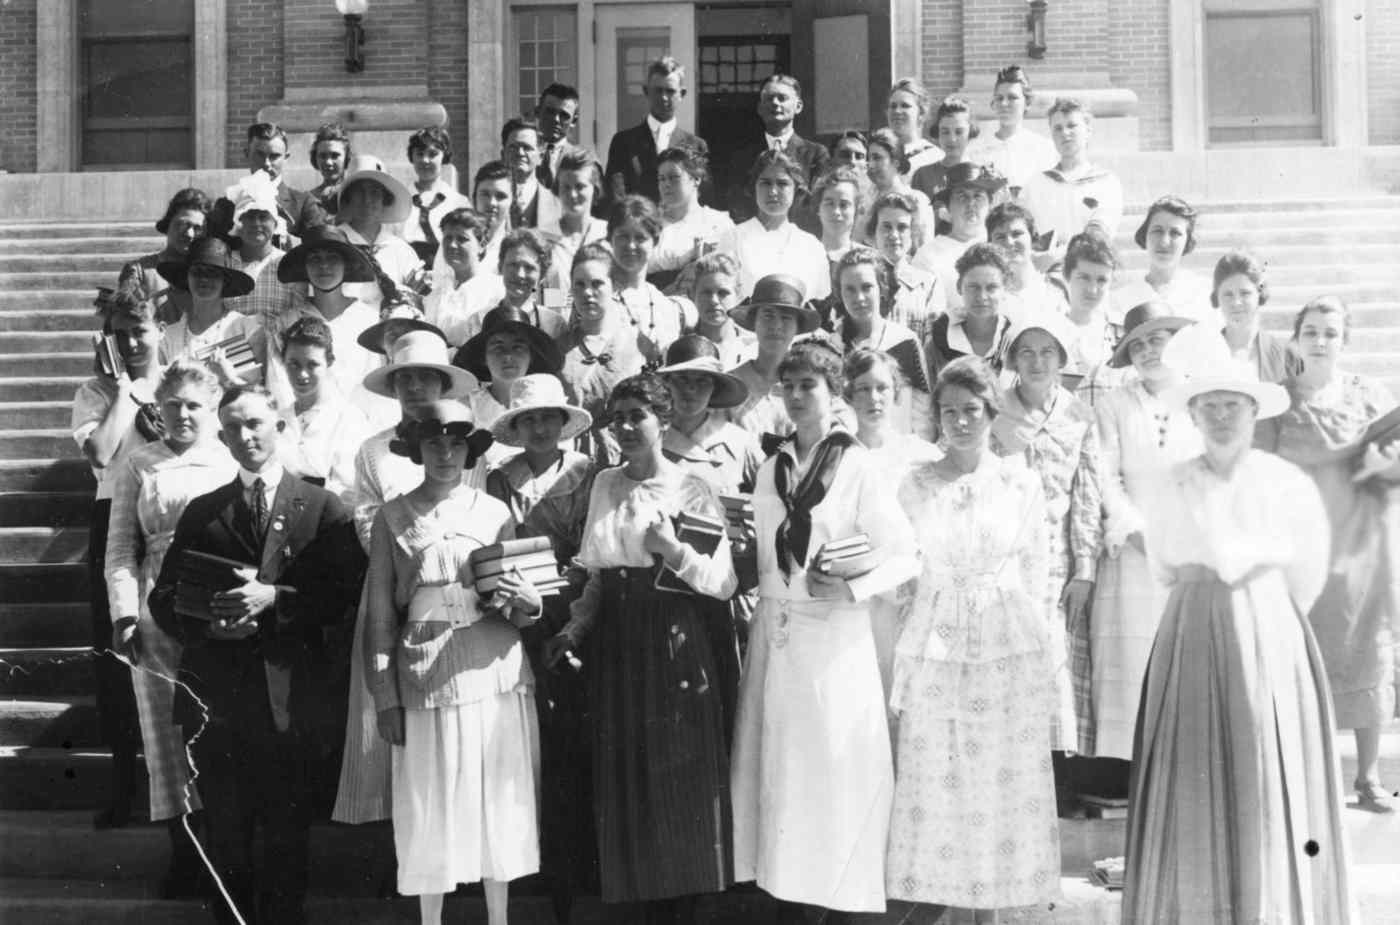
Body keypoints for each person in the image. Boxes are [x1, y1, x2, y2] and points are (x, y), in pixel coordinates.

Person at [1124, 366, 1356, 923]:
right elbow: (1161, 563)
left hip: (1269, 629)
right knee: (1193, 780)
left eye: (1234, 405)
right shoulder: (1172, 482)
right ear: (1194, 414)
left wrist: (1260, 615)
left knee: (1266, 772)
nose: (1223, 416)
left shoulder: (1284, 481)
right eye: (1210, 405)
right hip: (1192, 628)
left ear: (1254, 413)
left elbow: (1308, 569)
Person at [150, 385, 365, 925]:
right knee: (227, 836)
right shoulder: (203, 511)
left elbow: (347, 598)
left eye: (256, 425)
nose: (245, 437)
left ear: (280, 427)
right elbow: (163, 597)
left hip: (292, 700)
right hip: (219, 701)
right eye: (233, 429)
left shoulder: (321, 507)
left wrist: (277, 598)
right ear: (219, 436)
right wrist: (207, 621)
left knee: (287, 835)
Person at [731, 340, 918, 921]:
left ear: (833, 391)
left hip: (835, 639)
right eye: (787, 386)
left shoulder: (856, 463)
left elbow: (905, 555)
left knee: (832, 772)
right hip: (777, 634)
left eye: (808, 385)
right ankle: (789, 895)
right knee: (784, 773)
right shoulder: (771, 466)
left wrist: (853, 589)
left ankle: (837, 899)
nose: (796, 396)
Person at [544, 374, 739, 923]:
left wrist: (672, 549)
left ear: (663, 419)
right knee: (629, 780)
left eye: (639, 416)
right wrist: (572, 631)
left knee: (680, 775)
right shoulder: (605, 483)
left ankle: (685, 910)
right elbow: (598, 577)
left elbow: (721, 583)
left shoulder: (692, 486)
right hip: (618, 648)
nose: (627, 427)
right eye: (619, 417)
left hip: (675, 641)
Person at [888, 357, 1059, 921]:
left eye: (971, 411)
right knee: (940, 775)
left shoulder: (1019, 481)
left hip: (1005, 639)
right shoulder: (914, 484)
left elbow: (1037, 567)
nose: (960, 422)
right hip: (936, 639)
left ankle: (992, 913)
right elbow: (903, 573)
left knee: (998, 779)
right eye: (949, 412)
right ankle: (943, 906)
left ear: (991, 413)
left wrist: (1039, 647)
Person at [364, 400, 542, 925]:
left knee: (495, 800)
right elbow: (379, 614)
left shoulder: (494, 512)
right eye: (434, 443)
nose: (446, 454)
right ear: (416, 449)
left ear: (471, 450)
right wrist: (385, 695)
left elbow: (516, 604)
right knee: (429, 803)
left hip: (492, 667)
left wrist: (529, 601)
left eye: (457, 443)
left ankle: (498, 918)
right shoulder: (392, 515)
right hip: (425, 672)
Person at [332, 329, 481, 831]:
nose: (415, 388)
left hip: (459, 602)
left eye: (426, 378)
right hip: (391, 595)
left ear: (444, 384)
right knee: (387, 723)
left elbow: (474, 520)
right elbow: (366, 523)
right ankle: (393, 841)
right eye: (405, 379)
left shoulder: (466, 442)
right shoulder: (374, 451)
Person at [1257, 295, 1400, 813]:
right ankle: (1307, 775)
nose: (1320, 341)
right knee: (1301, 658)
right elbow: (1259, 471)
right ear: (1296, 340)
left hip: (1361, 543)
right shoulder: (1276, 401)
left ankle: (1367, 777)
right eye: (1311, 332)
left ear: (1345, 340)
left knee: (1369, 651)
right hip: (1300, 548)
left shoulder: (1372, 394)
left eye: (1330, 333)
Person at [104, 359, 235, 896]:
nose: (183, 414)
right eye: (173, 404)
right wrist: (125, 614)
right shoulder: (138, 463)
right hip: (156, 611)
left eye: (194, 405)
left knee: (216, 731)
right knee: (164, 737)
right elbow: (119, 549)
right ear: (158, 408)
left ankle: (224, 858)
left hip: (216, 611)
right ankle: (184, 857)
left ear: (213, 410)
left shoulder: (229, 461)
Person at [485, 375, 598, 923]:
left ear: (562, 423)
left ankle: (571, 878)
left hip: (572, 621)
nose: (538, 427)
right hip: (513, 624)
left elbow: (591, 555)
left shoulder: (588, 475)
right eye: (528, 418)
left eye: (548, 417)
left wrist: (558, 609)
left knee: (569, 750)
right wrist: (519, 602)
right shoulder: (498, 480)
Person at [1087, 301, 1203, 782]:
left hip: (1190, 551)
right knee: (1134, 662)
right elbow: (1105, 474)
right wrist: (1131, 529)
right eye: (1138, 344)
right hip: (1133, 551)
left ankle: (1185, 773)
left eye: (1158, 339)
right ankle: (1138, 782)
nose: (1149, 351)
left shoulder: (1201, 397)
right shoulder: (1114, 403)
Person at [73, 284, 165, 830]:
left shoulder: (178, 379)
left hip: (170, 514)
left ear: (158, 330)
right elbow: (103, 451)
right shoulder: (97, 389)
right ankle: (125, 784)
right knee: (115, 655)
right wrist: (129, 392)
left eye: (141, 330)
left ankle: (175, 790)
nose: (132, 340)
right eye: (122, 332)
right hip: (113, 517)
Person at [990, 314, 1102, 760]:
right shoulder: (994, 410)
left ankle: (1059, 774)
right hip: (1007, 558)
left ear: (1061, 359)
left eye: (1047, 352)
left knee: (1057, 662)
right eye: (1027, 352)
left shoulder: (1078, 414)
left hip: (1059, 560)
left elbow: (1088, 491)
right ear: (1014, 359)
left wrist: (1086, 565)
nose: (1037, 362)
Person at [842, 347, 941, 704]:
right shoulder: (839, 456)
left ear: (896, 391)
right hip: (856, 598)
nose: (874, 398)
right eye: (863, 388)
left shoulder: (920, 455)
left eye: (882, 387)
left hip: (911, 595)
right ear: (849, 394)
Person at [272, 225, 391, 425]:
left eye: (333, 258)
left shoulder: (369, 320)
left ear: (347, 266)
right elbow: (279, 382)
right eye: (315, 259)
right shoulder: (287, 322)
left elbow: (375, 386)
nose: (324, 266)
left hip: (358, 426)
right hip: (303, 425)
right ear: (305, 267)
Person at [558, 244, 649, 465]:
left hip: (624, 458)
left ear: (615, 286)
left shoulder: (639, 345)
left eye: (597, 283)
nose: (587, 292)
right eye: (579, 285)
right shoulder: (558, 348)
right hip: (568, 459)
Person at [830, 246, 933, 440]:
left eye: (867, 287)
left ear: (882, 288)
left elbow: (922, 414)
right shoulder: (832, 346)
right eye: (849, 290)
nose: (859, 298)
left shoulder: (905, 341)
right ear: (839, 292)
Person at [276, 315, 373, 502]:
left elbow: (351, 490)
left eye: (312, 365)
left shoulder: (349, 419)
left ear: (329, 362)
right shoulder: (277, 419)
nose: (302, 374)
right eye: (293, 364)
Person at [453, 302, 565, 455]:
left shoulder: (549, 405)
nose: (508, 356)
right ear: (483, 357)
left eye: (518, 347)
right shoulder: (466, 407)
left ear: (531, 356)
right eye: (498, 347)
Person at [718, 149, 830, 302]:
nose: (773, 191)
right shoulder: (733, 239)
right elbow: (722, 295)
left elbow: (820, 301)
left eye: (782, 183)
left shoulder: (812, 246)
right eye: (765, 183)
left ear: (796, 190)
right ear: (754, 187)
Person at [655, 334, 761, 492]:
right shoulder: (650, 438)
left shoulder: (738, 443)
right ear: (667, 382)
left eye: (702, 381)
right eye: (682, 378)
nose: (690, 388)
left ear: (715, 388)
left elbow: (778, 497)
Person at [723, 274, 823, 439]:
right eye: (768, 316)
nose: (776, 326)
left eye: (786, 318)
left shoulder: (810, 385)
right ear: (754, 321)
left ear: (797, 326)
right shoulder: (733, 384)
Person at [725, 73, 829, 227]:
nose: (775, 103)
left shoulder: (816, 154)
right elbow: (737, 204)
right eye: (769, 98)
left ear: (798, 106)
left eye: (782, 98)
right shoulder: (742, 157)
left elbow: (817, 204)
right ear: (760, 108)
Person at [1020, 99, 1123, 253]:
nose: (1065, 133)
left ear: (1088, 131)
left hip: (1088, 267)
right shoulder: (1036, 185)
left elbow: (1099, 236)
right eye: (1058, 128)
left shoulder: (1106, 183)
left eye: (1072, 126)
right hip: (1046, 271)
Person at [605, 56, 709, 206]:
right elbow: (616, 197)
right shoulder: (623, 142)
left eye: (670, 91)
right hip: (639, 226)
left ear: (682, 94)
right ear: (646, 91)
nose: (664, 97)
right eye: (658, 91)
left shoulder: (696, 146)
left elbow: (705, 197)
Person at [155, 236, 259, 385]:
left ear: (225, 281)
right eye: (197, 272)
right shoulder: (168, 337)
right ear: (187, 277)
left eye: (213, 273)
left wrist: (227, 379)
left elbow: (259, 394)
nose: (204, 279)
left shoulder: (245, 328)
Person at [608, 195, 696, 365]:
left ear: (655, 241)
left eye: (640, 238)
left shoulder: (666, 306)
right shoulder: (596, 298)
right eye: (623, 236)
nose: (631, 245)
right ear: (611, 239)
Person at [207, 122, 328, 244]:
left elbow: (318, 249)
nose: (266, 163)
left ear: (286, 158)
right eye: (259, 154)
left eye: (274, 156)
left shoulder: (304, 204)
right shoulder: (227, 204)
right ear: (247, 154)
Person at [446, 228, 569, 347]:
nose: (520, 274)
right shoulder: (479, 320)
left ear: (541, 275)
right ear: (500, 267)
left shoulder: (554, 324)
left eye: (529, 268)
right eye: (513, 265)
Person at [911, 162, 1005, 314]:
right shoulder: (928, 256)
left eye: (978, 196)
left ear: (990, 204)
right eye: (962, 197)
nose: (971, 204)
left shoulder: (1002, 245)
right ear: (948, 207)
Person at [924, 243, 1016, 383]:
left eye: (991, 287)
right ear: (959, 287)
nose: (982, 296)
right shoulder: (938, 341)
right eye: (973, 287)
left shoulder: (1016, 341)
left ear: (1005, 289)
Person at [1113, 195, 1213, 325]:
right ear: (1145, 236)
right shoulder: (1121, 299)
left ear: (1187, 241)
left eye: (1175, 233)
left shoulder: (1204, 294)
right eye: (1157, 231)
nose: (1164, 242)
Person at [119, 187, 211, 324]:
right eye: (182, 225)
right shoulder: (139, 272)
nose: (189, 234)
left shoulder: (211, 275)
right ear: (168, 224)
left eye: (197, 229)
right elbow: (126, 324)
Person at [335, 154, 422, 297]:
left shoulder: (401, 250)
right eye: (359, 191)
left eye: (374, 192)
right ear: (348, 197)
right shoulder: (333, 243)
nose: (367, 200)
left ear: (385, 199)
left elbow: (416, 302)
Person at [867, 191, 944, 348]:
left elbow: (933, 347)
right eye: (886, 227)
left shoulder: (928, 284)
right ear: (874, 233)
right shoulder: (862, 279)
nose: (894, 235)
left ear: (912, 233)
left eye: (902, 228)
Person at [965, 65, 1057, 194]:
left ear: (1027, 103)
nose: (1004, 104)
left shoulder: (1044, 149)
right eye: (999, 98)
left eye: (1012, 98)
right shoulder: (975, 150)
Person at [650, 146, 732, 286]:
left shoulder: (718, 223)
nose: (666, 184)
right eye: (661, 179)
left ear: (696, 179)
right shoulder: (649, 223)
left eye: (674, 177)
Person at [222, 172, 296, 324]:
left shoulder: (288, 265)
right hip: (231, 345)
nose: (256, 223)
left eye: (263, 217)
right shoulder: (225, 264)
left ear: (275, 224)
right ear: (238, 224)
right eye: (249, 216)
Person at [1059, 231, 1124, 397]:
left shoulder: (1120, 334)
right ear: (1067, 275)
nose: (1092, 289)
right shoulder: (1051, 331)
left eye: (1101, 280)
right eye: (1084, 277)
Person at [1212, 249, 1289, 382]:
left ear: (1260, 294)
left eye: (1245, 293)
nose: (1236, 302)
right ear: (1217, 297)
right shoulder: (1205, 349)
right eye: (1228, 294)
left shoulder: (1280, 355)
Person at [539, 147, 608, 295]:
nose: (572, 194)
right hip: (556, 313)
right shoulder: (544, 237)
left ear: (594, 189)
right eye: (566, 187)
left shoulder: (607, 234)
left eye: (580, 186)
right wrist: (556, 315)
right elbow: (542, 292)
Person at [400, 126, 472, 267]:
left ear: (443, 156)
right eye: (419, 154)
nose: (425, 160)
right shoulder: (399, 200)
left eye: (432, 154)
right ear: (412, 157)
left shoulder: (458, 203)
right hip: (406, 268)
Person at [988, 201, 1069, 320]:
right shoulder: (988, 297)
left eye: (1016, 234)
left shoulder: (1055, 291)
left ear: (1032, 237)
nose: (1009, 242)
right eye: (1000, 237)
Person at [859, 129, 936, 250]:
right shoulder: (865, 201)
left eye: (877, 158)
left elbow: (924, 249)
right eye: (869, 158)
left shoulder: (917, 201)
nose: (871, 164)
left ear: (896, 163)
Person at [687, 253, 755, 369]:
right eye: (706, 293)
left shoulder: (754, 349)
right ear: (692, 295)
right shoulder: (680, 347)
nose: (714, 301)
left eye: (723, 293)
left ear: (738, 295)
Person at [909, 95, 978, 206]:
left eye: (959, 132)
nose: (952, 139)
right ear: (938, 133)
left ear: (970, 133)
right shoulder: (923, 175)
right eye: (945, 132)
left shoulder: (978, 174)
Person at [502, 116, 558, 230]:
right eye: (513, 147)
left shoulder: (556, 204)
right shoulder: (489, 198)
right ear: (503, 155)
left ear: (541, 157)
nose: (520, 153)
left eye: (527, 148)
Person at [884, 77, 941, 179]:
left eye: (905, 106)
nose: (897, 111)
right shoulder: (879, 153)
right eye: (893, 106)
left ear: (921, 113)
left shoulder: (934, 157)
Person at [534, 82, 582, 189]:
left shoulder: (582, 161)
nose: (556, 119)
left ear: (574, 121)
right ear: (538, 112)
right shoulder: (520, 153)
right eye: (550, 112)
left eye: (564, 115)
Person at [472, 160, 515, 272]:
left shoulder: (516, 250)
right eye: (485, 194)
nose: (492, 203)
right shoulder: (455, 241)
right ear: (474, 198)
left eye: (500, 196)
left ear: (512, 202)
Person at [307, 121, 351, 215]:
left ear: (346, 158)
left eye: (335, 155)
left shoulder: (356, 196)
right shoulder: (308, 200)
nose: (328, 162)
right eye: (322, 156)